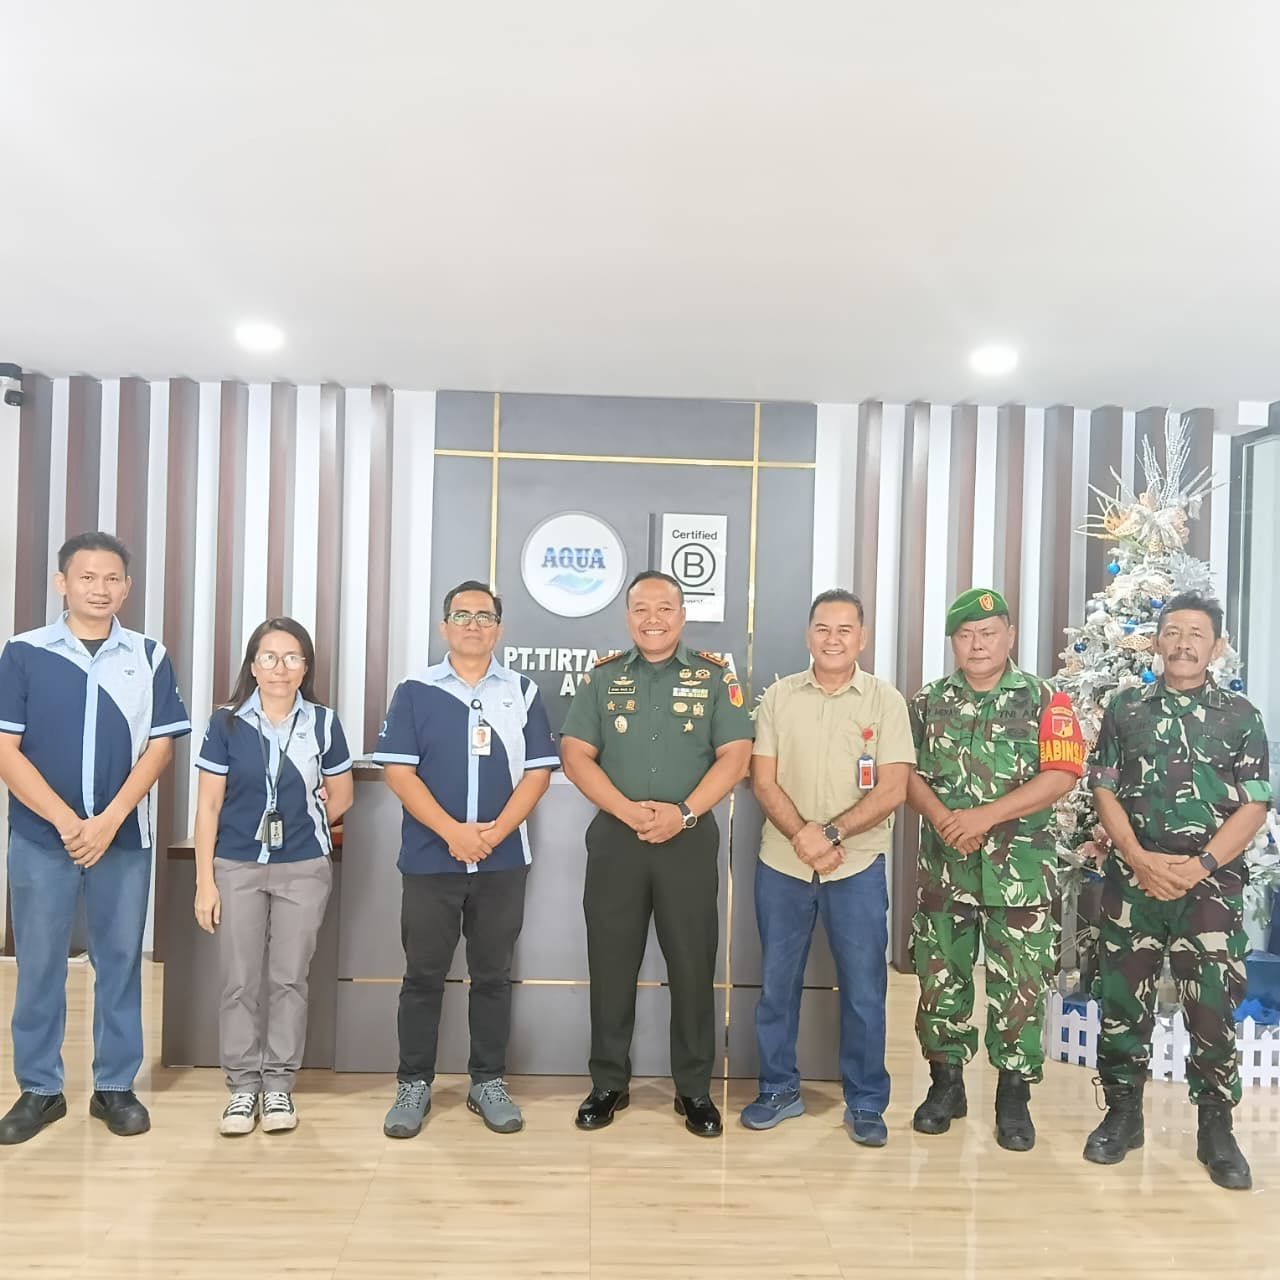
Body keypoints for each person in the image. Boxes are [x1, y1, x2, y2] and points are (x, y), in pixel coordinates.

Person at [0, 531, 189, 1144]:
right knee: (39, 963)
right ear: (63, 583)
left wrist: (108, 820)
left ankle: (114, 1087)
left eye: (112, 578)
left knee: (120, 961)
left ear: (127, 587)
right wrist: (65, 821)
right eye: (87, 577)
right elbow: (5, 749)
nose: (99, 589)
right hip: (40, 837)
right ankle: (39, 1090)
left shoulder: (149, 656)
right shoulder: (24, 653)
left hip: (123, 837)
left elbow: (160, 747)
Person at [1084, 592, 1271, 1190]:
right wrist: (1138, 858)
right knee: (1122, 1000)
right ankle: (1122, 1114)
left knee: (1212, 1004)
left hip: (1209, 887)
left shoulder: (1241, 716)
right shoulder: (1126, 708)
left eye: (1196, 633)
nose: (1183, 643)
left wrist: (1201, 866)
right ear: (1156, 641)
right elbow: (1103, 788)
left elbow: (1255, 805)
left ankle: (1216, 1127)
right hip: (1133, 882)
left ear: (1216, 647)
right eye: (1172, 631)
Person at [560, 570, 753, 1138]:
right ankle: (608, 1082)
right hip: (617, 840)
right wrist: (626, 810)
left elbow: (736, 754)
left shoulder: (715, 676)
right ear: (628, 617)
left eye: (664, 608)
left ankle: (693, 1089)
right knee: (610, 963)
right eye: (641, 609)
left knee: (692, 965)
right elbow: (575, 753)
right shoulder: (602, 677)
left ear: (682, 615)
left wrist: (684, 813)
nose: (653, 619)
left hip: (687, 839)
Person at [374, 581, 557, 1138]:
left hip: (502, 863)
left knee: (493, 976)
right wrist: (453, 832)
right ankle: (413, 1084)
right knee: (422, 976)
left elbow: (538, 773)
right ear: (444, 627)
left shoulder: (522, 691)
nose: (473, 624)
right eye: (461, 615)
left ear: (498, 628)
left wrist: (494, 834)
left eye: (484, 616)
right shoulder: (415, 690)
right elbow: (399, 772)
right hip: (431, 860)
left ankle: (488, 1082)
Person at [906, 588, 1082, 1151]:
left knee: (1021, 986)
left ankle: (1013, 1096)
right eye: (965, 635)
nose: (977, 644)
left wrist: (985, 815)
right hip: (946, 870)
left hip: (1020, 873)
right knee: (941, 978)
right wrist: (945, 819)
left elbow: (1062, 774)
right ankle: (945, 1086)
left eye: (988, 633)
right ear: (953, 643)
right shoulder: (927, 702)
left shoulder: (1047, 699)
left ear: (1010, 636)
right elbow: (904, 772)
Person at [743, 590, 913, 1146]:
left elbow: (893, 787)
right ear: (808, 635)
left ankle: (865, 1101)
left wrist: (831, 834)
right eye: (823, 628)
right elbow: (762, 779)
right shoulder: (779, 697)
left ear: (862, 638)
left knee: (864, 991)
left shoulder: (885, 701)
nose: (833, 639)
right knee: (777, 987)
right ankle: (778, 1089)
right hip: (783, 863)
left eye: (844, 629)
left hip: (856, 865)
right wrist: (803, 836)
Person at [192, 618, 353, 1136]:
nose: (280, 668)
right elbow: (208, 807)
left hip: (303, 868)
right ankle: (243, 1088)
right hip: (236, 866)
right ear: (253, 665)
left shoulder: (324, 723)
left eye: (291, 658)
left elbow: (342, 796)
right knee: (239, 979)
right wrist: (204, 882)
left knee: (288, 978)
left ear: (306, 667)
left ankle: (279, 1084)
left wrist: (307, 817)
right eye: (269, 657)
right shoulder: (226, 723)